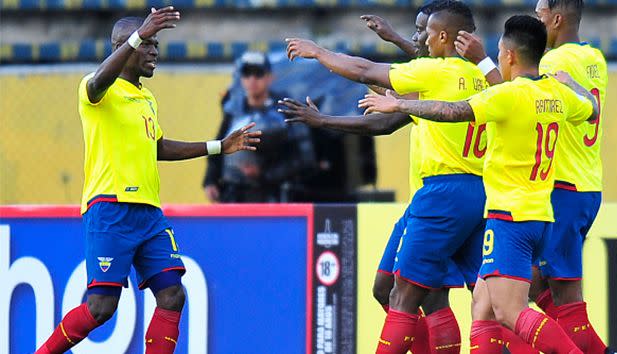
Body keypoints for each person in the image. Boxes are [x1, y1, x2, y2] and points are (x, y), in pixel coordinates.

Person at [358, 14, 599, 354]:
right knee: (484, 308)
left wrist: (398, 102)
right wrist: (568, 82)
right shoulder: (555, 92)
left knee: (510, 311)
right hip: (539, 213)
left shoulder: (508, 96)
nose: (499, 58)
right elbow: (591, 108)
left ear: (511, 56)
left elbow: (452, 111)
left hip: (509, 217)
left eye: (500, 53)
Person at [35, 9, 261, 354]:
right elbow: (97, 83)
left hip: (149, 213)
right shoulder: (96, 90)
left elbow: (157, 146)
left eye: (155, 44)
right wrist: (137, 35)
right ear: (123, 46)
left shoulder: (146, 98)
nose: (154, 51)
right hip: (110, 208)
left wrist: (219, 146)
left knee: (172, 294)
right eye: (148, 45)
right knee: (101, 308)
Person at [283, 2, 489, 352]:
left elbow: (365, 71)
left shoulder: (433, 73)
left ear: (442, 36)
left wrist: (317, 52)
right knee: (413, 291)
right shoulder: (485, 75)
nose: (418, 38)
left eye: (424, 31)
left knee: (406, 293)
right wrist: (394, 38)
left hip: (442, 192)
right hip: (476, 189)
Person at [455, 0, 610, 351]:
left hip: (555, 190)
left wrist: (482, 61)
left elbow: (514, 98)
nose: (537, 22)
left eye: (540, 16)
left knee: (553, 304)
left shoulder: (551, 62)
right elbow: (586, 108)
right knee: (492, 301)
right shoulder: (595, 59)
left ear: (556, 19)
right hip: (586, 184)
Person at [203, 51, 315, 203]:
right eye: (247, 74)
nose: (252, 80)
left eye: (258, 74)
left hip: (274, 195)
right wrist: (210, 181)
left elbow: (304, 156)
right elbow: (220, 146)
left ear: (270, 77)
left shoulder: (286, 109)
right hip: (234, 194)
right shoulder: (233, 110)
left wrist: (264, 174)